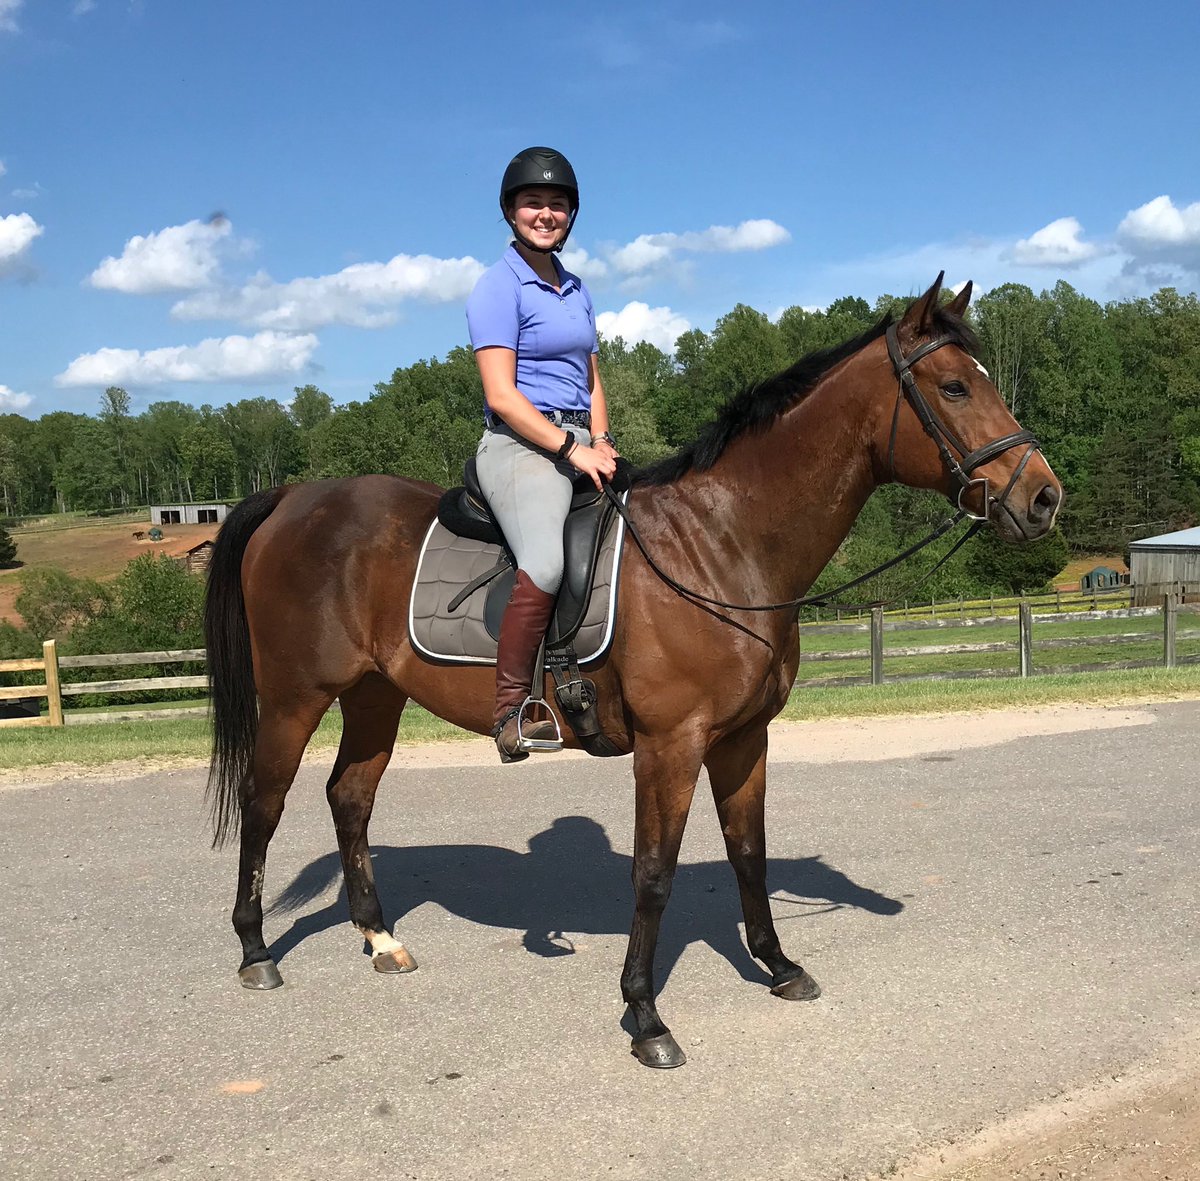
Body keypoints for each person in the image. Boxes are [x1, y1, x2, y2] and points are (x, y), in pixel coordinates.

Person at [465, 147, 618, 763]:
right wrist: (568, 450)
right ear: (510, 210)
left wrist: (601, 440)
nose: (546, 214)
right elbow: (501, 395)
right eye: (534, 203)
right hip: (520, 445)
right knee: (546, 564)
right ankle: (512, 708)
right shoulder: (497, 286)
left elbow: (590, 375)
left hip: (582, 440)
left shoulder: (576, 288)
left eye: (557, 205)